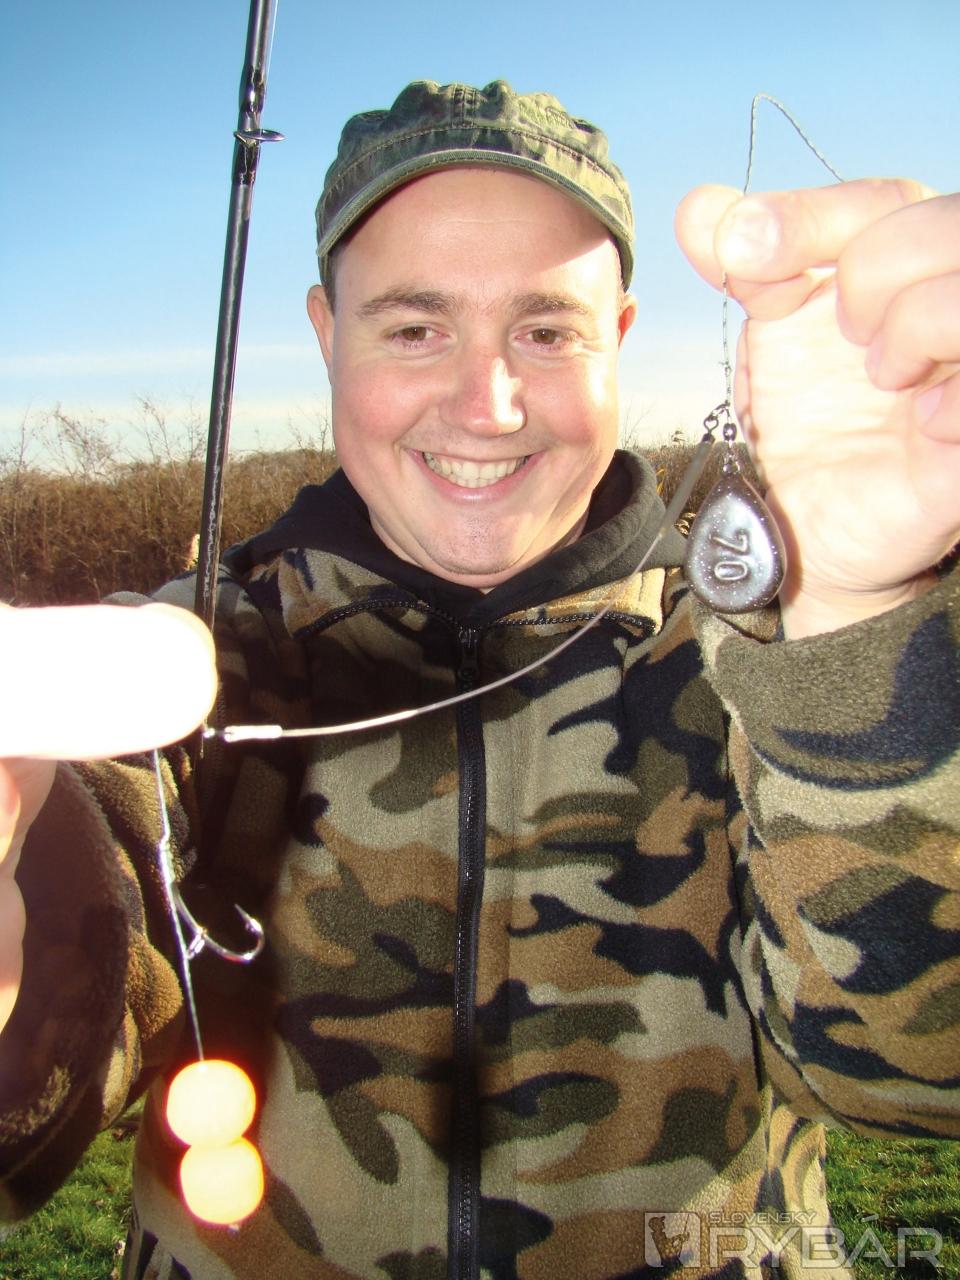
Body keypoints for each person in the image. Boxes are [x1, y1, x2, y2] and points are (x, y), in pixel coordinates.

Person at [0, 79, 958, 1280]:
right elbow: (39, 1079)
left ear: (619, 337)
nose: (487, 406)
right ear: (326, 335)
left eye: (547, 331)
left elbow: (919, 1082)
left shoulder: (777, 658)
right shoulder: (184, 665)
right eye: (415, 329)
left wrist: (859, 622)